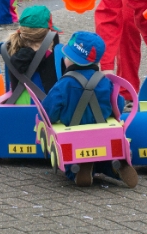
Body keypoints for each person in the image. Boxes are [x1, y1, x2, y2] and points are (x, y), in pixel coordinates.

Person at [42, 31, 136, 188]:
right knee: (105, 154)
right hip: (102, 131)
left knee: (69, 159)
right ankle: (114, 166)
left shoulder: (63, 84)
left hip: (73, 133)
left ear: (71, 60)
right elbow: (118, 105)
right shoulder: (105, 82)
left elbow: (48, 111)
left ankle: (78, 170)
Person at [3, 6, 62, 104]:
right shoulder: (54, 58)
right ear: (49, 33)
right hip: (47, 109)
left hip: (20, 107)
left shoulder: (12, 53)